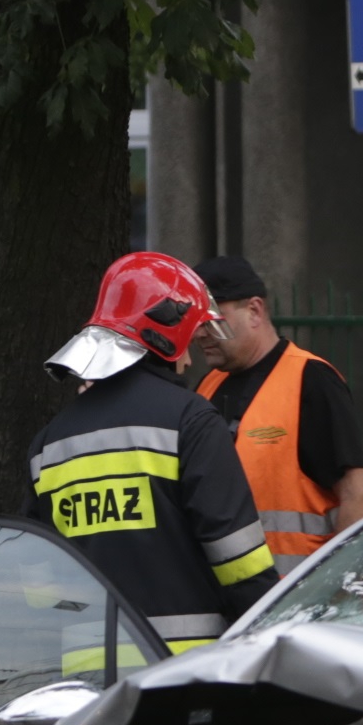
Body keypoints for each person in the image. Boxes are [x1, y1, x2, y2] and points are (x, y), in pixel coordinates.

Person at [30, 252, 278, 650]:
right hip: (181, 676)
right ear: (167, 333)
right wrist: (272, 637)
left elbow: (39, 589)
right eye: (188, 341)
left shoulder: (48, 444)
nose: (190, 357)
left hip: (86, 680)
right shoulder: (190, 420)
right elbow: (239, 560)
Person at [189, 256, 363, 573]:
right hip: (228, 605)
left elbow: (359, 497)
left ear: (254, 310)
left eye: (212, 320)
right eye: (196, 323)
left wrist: (336, 586)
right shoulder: (207, 387)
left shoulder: (311, 380)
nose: (200, 334)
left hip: (291, 605)